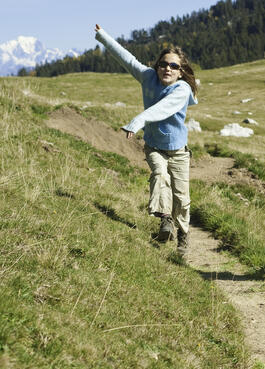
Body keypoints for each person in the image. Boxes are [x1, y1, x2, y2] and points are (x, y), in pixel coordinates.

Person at [94, 24, 198, 254]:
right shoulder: (147, 77)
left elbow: (161, 109)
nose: (167, 69)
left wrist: (138, 120)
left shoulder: (181, 90)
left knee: (182, 196)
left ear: (181, 71)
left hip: (179, 151)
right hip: (154, 147)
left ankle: (183, 237)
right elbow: (126, 58)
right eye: (163, 64)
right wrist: (103, 36)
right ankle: (165, 220)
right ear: (157, 66)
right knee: (159, 176)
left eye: (173, 66)